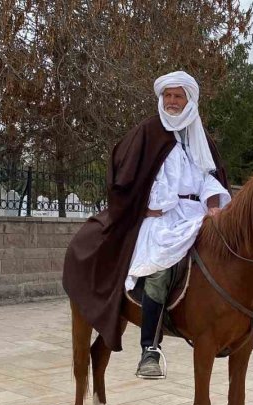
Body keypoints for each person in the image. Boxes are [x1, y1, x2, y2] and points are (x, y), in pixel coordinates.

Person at [63, 71, 230, 379]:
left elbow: (209, 177)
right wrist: (151, 204)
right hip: (160, 218)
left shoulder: (198, 136)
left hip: (196, 215)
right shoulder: (148, 132)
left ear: (189, 99)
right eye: (167, 95)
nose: (172, 101)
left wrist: (214, 205)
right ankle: (149, 348)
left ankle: (232, 330)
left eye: (178, 96)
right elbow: (126, 174)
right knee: (159, 270)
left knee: (227, 257)